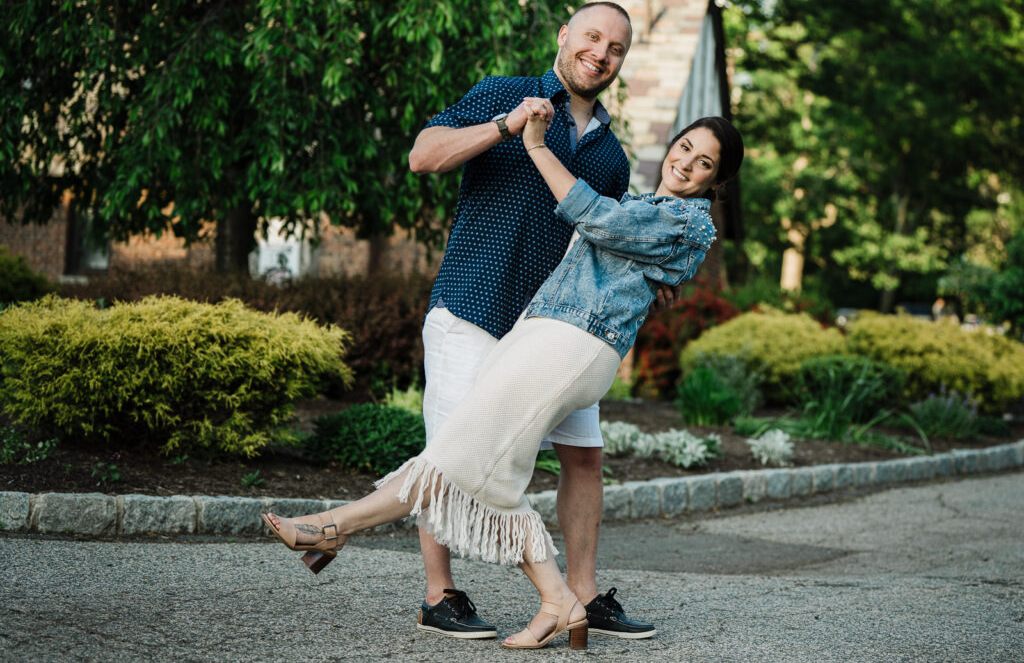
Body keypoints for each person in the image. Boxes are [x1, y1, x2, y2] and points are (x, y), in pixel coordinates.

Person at [262, 114, 745, 650]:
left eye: (704, 163)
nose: (685, 163)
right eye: (684, 148)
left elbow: (593, 218)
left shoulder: (688, 221)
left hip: (574, 346)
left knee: (469, 456)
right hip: (544, 331)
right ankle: (559, 601)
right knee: (475, 460)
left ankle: (334, 527)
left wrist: (535, 145)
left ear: (715, 182)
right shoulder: (643, 205)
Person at [403, 0, 666, 641]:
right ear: (564, 36)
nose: (601, 54)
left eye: (616, 49)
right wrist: (505, 123)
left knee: (584, 456)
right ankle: (441, 594)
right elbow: (424, 156)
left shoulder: (610, 156)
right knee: (449, 453)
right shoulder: (505, 92)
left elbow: (605, 240)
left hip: (557, 331)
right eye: (593, 38)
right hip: (474, 304)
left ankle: (581, 595)